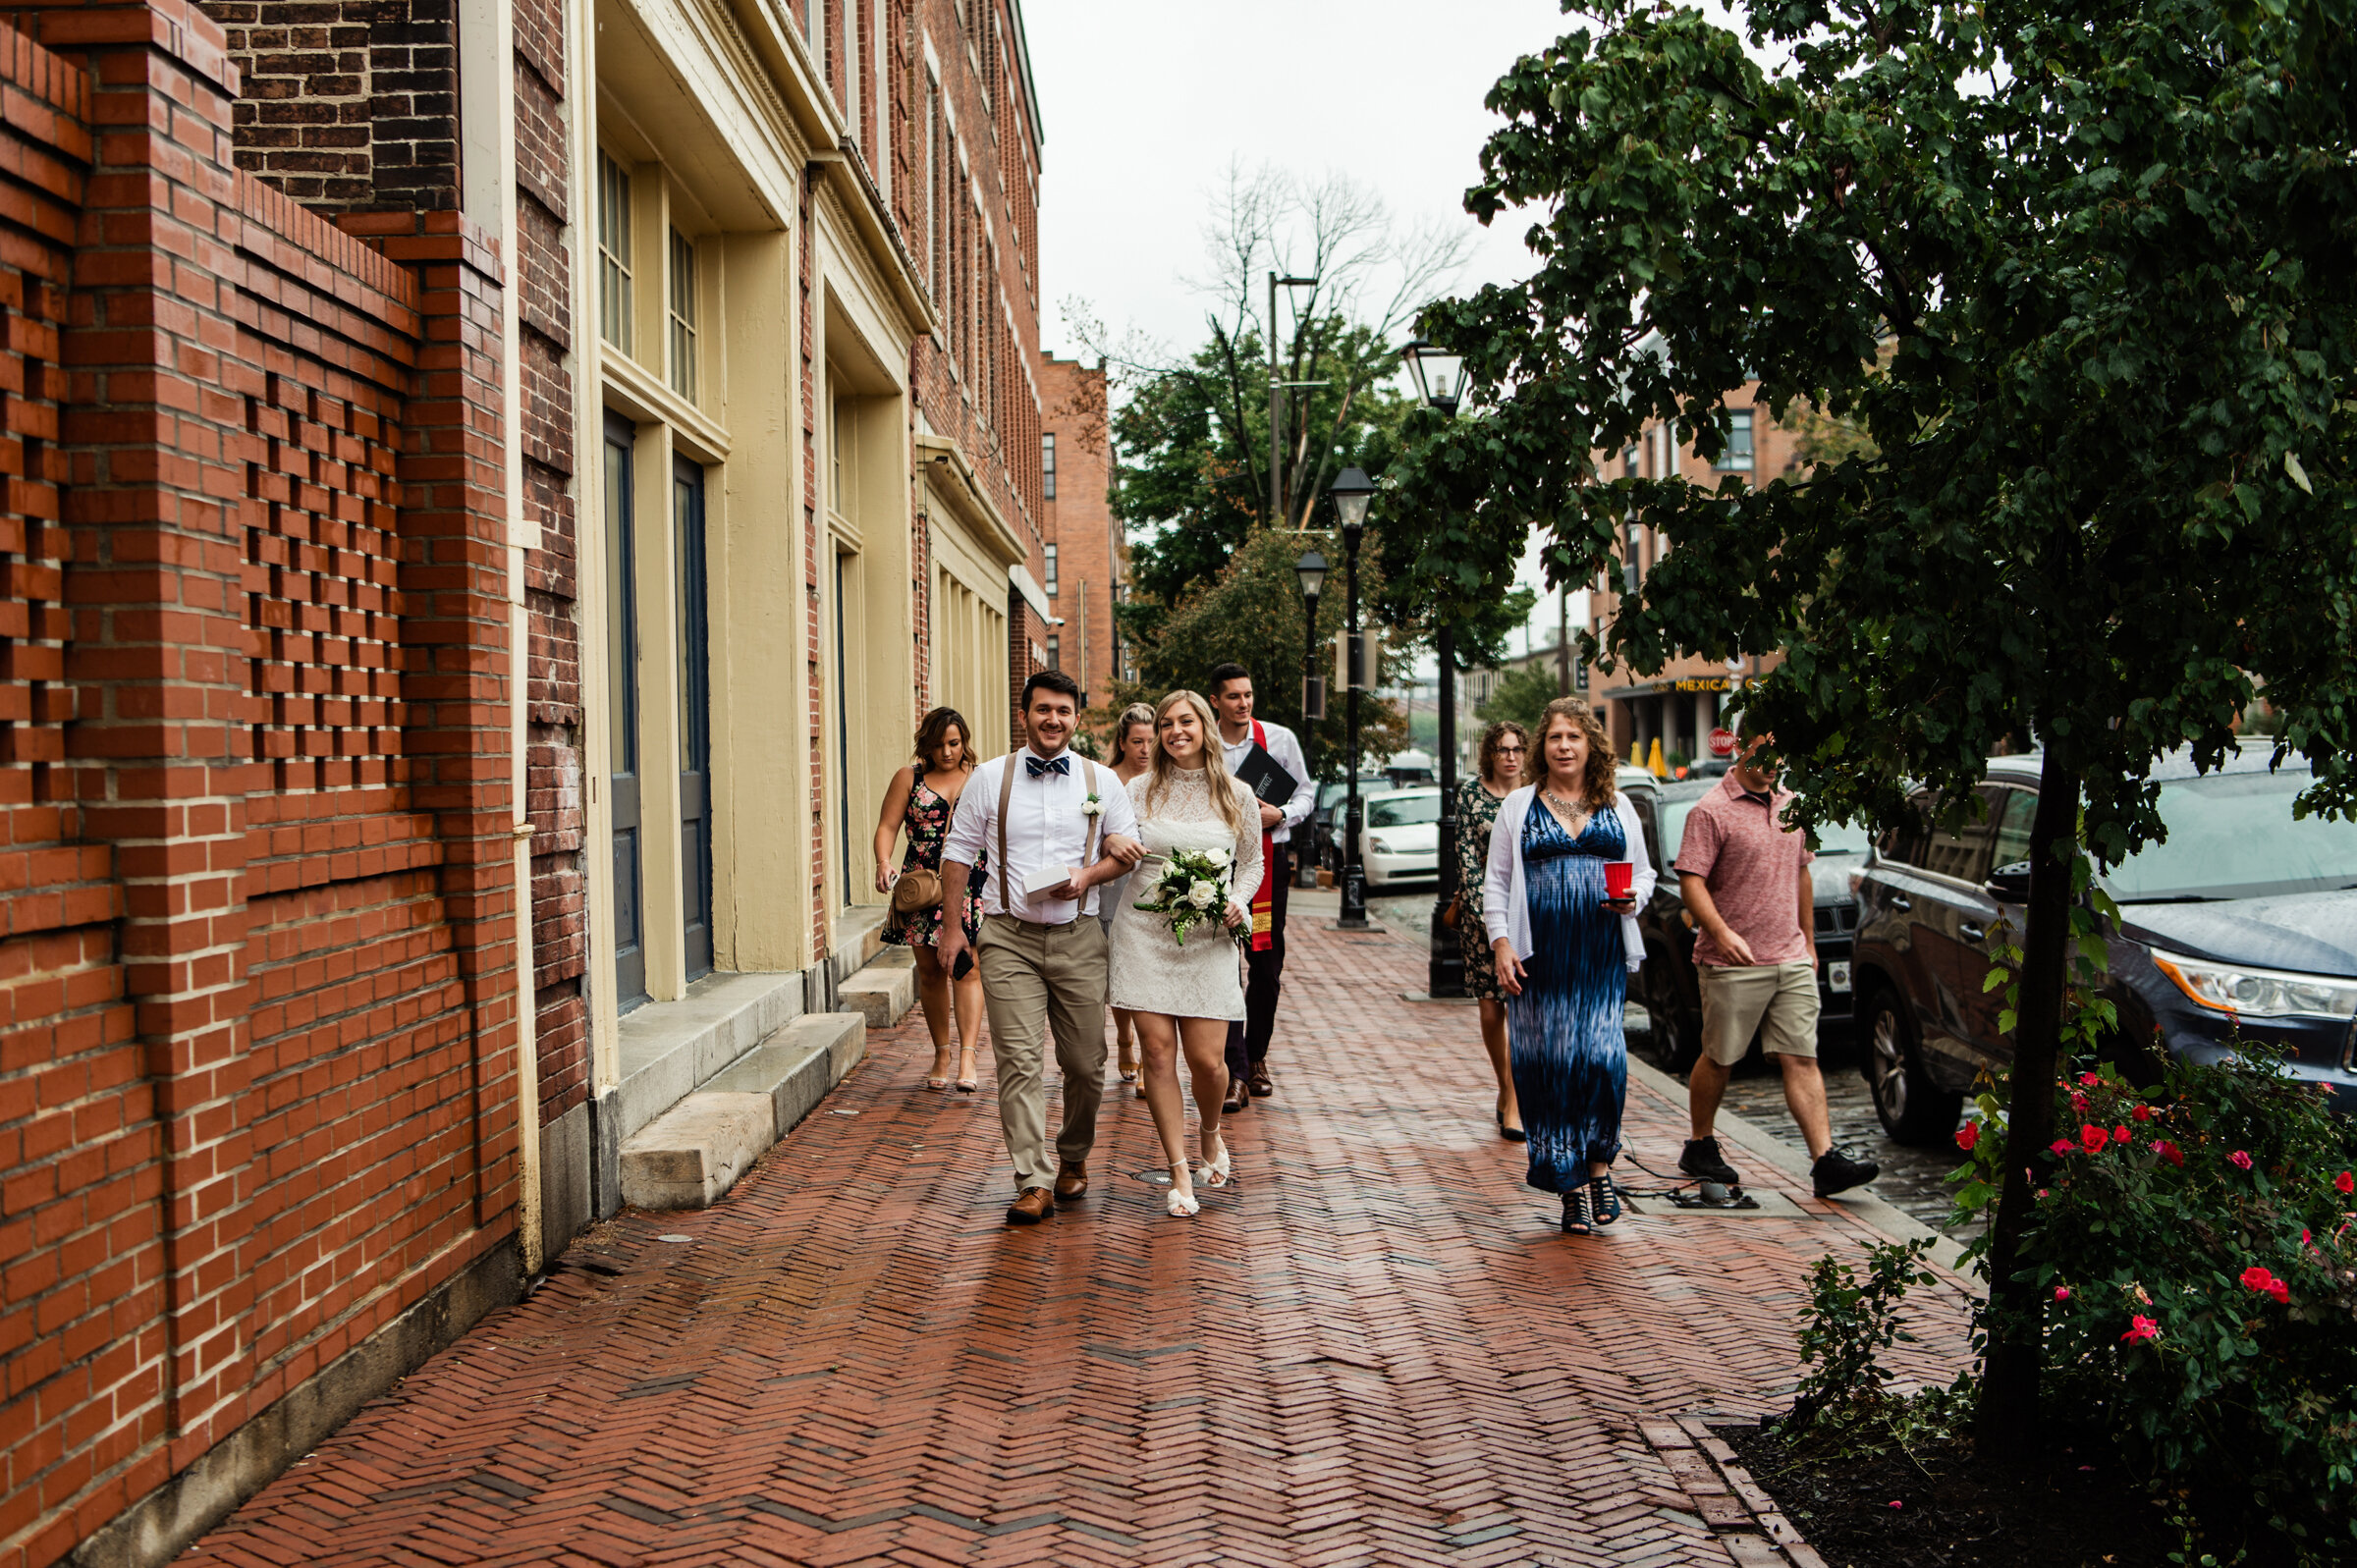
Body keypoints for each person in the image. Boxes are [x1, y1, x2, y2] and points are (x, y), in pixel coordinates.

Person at [938, 671, 1143, 1225]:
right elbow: (957, 853)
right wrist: (953, 929)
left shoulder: (1101, 780)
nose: (1053, 720)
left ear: (1077, 718)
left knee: (1085, 1063)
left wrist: (1088, 874)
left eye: (1063, 711)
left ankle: (1074, 1155)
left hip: (1079, 935)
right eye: (1042, 710)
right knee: (1019, 1063)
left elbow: (1127, 851)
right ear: (1024, 714)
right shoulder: (988, 777)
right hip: (1008, 937)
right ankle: (1033, 1179)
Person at [1673, 729, 1880, 1199]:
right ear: (1741, 744)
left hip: (1789, 956)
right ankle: (1699, 1144)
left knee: (1802, 1057)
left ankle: (1824, 1161)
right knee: (1721, 1057)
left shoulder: (1792, 805)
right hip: (1732, 962)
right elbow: (1691, 882)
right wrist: (1722, 934)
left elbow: (1801, 872)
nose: (1773, 761)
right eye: (1764, 749)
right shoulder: (1710, 809)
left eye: (1779, 751)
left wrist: (1807, 943)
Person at [1483, 697, 1656, 1236]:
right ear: (1544, 745)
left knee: (1603, 1060)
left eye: (1574, 737)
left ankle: (1600, 1165)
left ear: (1591, 746)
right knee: (1549, 1068)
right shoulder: (1518, 807)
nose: (1564, 746)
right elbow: (1497, 883)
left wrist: (1634, 901)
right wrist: (1502, 944)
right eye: (1556, 737)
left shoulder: (1618, 805)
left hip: (1599, 953)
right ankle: (1570, 1189)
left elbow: (1645, 875)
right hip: (1540, 959)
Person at [1107, 690, 1261, 1217]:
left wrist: (1238, 900)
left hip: (1209, 938)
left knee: (1209, 1062)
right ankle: (1178, 1171)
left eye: (1185, 722)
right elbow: (1111, 842)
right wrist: (1111, 846)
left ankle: (1211, 1130)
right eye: (1167, 723)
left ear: (1204, 728)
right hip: (1143, 931)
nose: (1175, 731)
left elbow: (1252, 865)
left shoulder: (1236, 794)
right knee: (1156, 1053)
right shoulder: (1136, 789)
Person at [1206, 663, 1316, 1113]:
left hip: (1270, 866)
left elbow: (1306, 792)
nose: (1244, 703)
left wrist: (1282, 816)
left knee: (1266, 968)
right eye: (1234, 696)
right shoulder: (1204, 743)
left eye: (1248, 695)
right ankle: (1236, 1070)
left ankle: (1256, 1056)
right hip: (1217, 866)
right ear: (1215, 700)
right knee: (1224, 966)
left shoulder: (1280, 739)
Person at [873, 708, 987, 1091]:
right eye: (938, 745)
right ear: (927, 744)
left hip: (968, 882)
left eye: (954, 743)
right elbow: (888, 825)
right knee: (930, 972)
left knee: (967, 968)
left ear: (964, 741)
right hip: (921, 883)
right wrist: (884, 862)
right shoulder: (909, 778)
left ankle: (968, 1056)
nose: (947, 752)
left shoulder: (979, 777)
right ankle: (942, 1053)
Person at [1455, 721, 1529, 1142]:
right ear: (1490, 754)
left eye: (1517, 749)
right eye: (1502, 749)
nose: (1510, 756)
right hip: (1479, 915)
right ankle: (1505, 1085)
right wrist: (1487, 914)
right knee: (1490, 1010)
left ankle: (1515, 1102)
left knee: (1520, 1011)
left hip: (1527, 915)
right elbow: (1466, 855)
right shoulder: (1471, 795)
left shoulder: (1536, 793)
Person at [1104, 703, 1156, 1092]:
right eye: (1137, 741)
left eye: (1151, 741)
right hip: (1111, 886)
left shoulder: (1163, 782)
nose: (1145, 749)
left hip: (1151, 885)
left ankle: (1148, 1061)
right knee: (1116, 970)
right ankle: (1124, 1039)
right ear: (1122, 742)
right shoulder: (1106, 781)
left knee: (1144, 970)